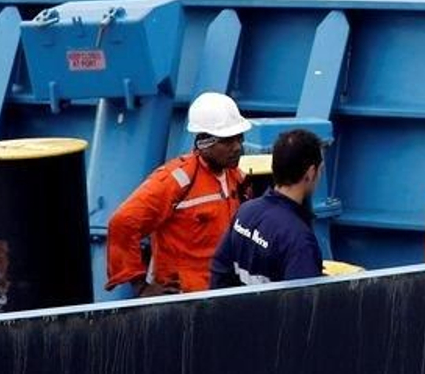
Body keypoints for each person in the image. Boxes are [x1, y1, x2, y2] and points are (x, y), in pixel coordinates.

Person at [105, 91, 250, 296]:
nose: (237, 148)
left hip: (222, 291)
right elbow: (123, 222)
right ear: (203, 142)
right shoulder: (175, 181)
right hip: (184, 298)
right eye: (227, 141)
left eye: (239, 138)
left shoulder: (236, 177)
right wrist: (141, 287)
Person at [209, 129, 325, 288]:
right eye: (320, 170)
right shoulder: (299, 240)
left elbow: (219, 272)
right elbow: (303, 299)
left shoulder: (245, 211)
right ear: (311, 173)